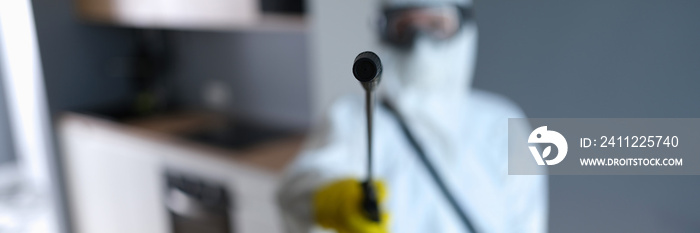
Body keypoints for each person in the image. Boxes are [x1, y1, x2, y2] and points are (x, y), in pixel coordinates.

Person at [278, 0, 547, 232]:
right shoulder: (352, 115)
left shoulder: (503, 121)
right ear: (385, 30)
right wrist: (335, 201)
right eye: (405, 26)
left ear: (464, 27)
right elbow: (294, 191)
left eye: (437, 24)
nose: (421, 40)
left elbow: (525, 219)